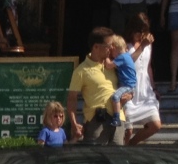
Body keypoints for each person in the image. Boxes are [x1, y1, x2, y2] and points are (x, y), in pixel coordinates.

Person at [67, 27, 124, 145]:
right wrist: (74, 124)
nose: (111, 48)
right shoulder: (81, 70)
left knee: (119, 159)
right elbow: (72, 98)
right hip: (97, 120)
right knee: (96, 158)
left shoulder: (115, 65)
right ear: (96, 47)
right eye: (108, 45)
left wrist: (129, 95)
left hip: (118, 117)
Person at [122, 13, 163, 145]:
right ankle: (123, 150)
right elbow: (128, 62)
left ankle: (132, 145)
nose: (141, 35)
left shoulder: (148, 45)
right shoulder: (124, 45)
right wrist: (141, 47)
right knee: (127, 131)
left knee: (155, 124)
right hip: (129, 89)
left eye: (144, 31)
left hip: (145, 89)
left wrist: (154, 87)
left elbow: (148, 67)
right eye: (139, 31)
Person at [107, 34, 136, 125]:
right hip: (130, 85)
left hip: (127, 85)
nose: (112, 55)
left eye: (112, 52)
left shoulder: (122, 57)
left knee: (115, 97)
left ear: (115, 48)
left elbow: (109, 65)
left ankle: (116, 117)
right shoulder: (127, 55)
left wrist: (106, 56)